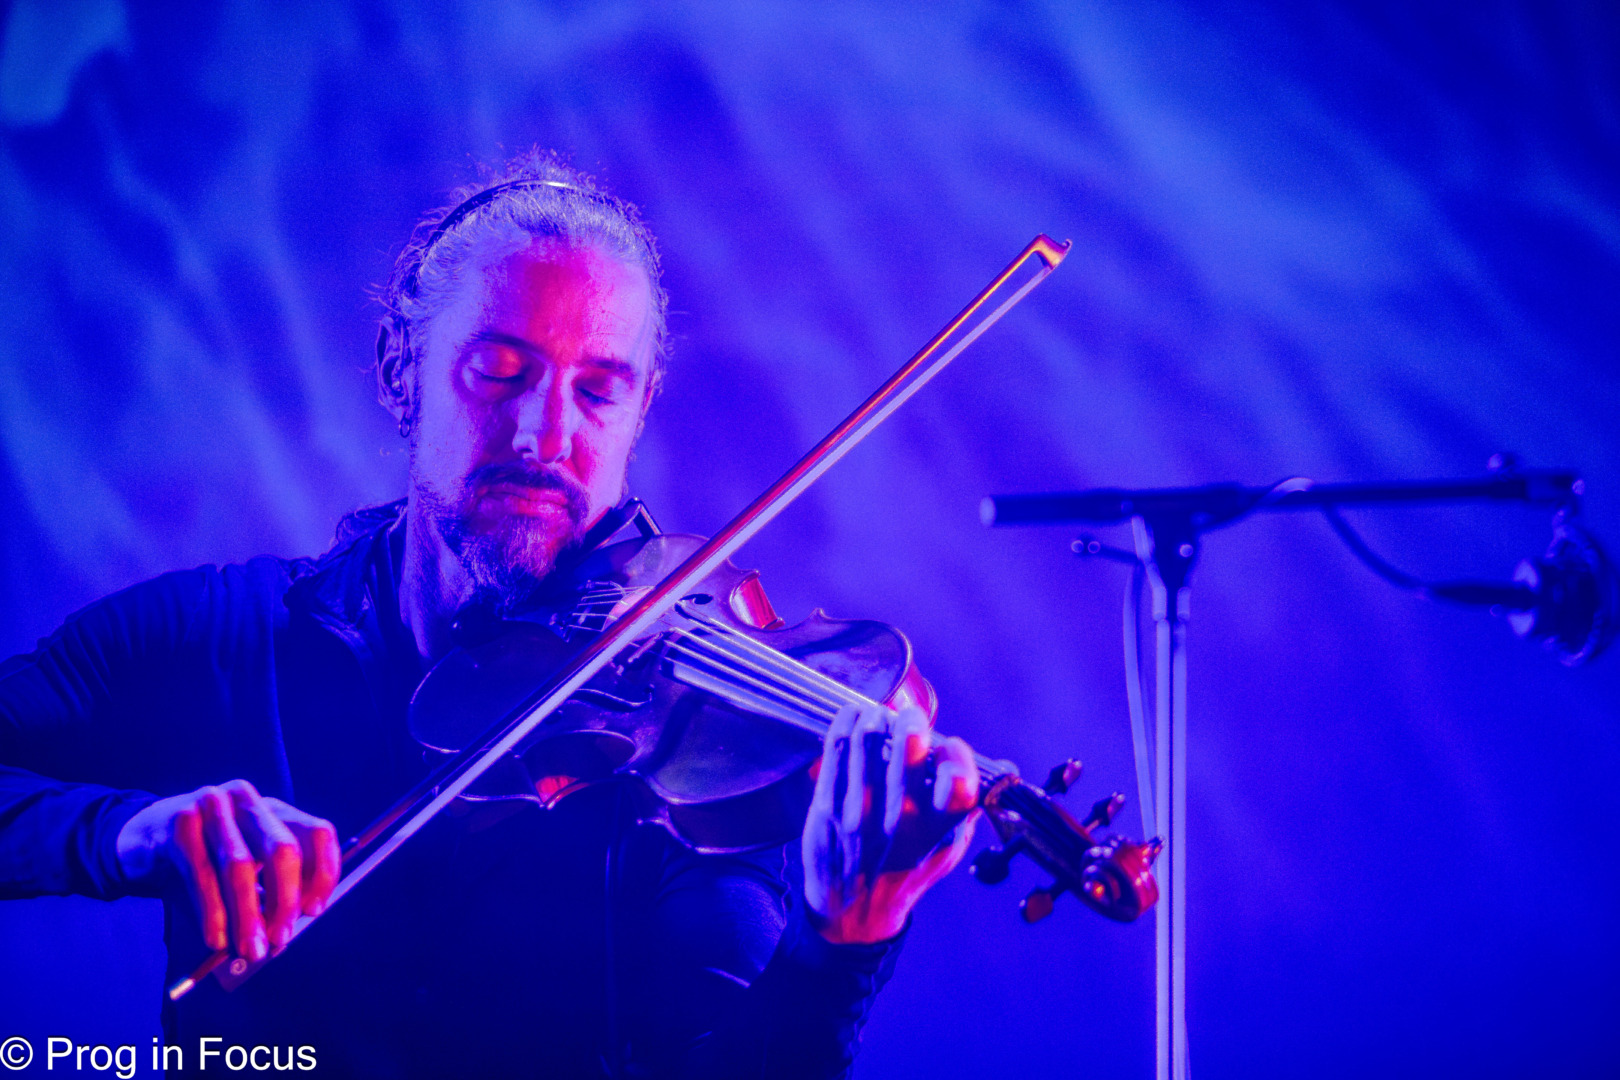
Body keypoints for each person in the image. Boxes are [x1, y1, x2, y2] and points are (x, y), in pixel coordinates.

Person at [0, 150, 981, 1078]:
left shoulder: (690, 749)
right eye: (501, 372)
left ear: (639, 411)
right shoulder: (222, 640)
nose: (546, 433)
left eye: (598, 390)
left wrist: (841, 945)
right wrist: (128, 834)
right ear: (400, 370)